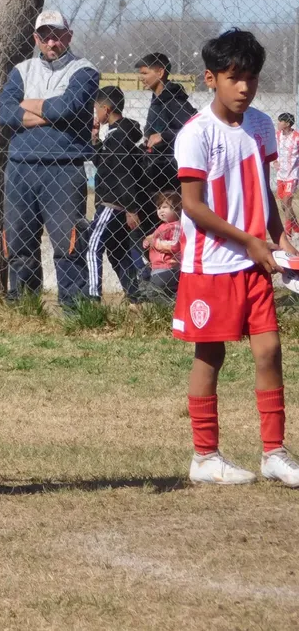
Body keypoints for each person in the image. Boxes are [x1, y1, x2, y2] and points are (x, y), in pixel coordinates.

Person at [172, 28, 299, 486]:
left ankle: (274, 452)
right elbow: (192, 205)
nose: (244, 87)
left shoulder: (263, 126)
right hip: (211, 266)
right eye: (234, 77)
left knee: (270, 351)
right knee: (210, 357)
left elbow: (261, 190)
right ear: (211, 78)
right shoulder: (195, 134)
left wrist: (280, 236)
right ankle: (205, 456)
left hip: (252, 262)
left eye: (252, 78)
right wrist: (246, 240)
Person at [0, 9, 99, 309]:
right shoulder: (22, 70)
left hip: (64, 167)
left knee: (69, 243)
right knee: (18, 241)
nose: (52, 43)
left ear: (69, 36)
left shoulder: (84, 70)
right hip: (20, 167)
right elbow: (4, 112)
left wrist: (28, 107)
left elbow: (69, 108)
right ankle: (25, 307)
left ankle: (74, 308)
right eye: (45, 37)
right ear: (36, 39)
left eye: (57, 36)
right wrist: (49, 112)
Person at [86, 86, 144, 302]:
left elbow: (123, 174)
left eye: (96, 109)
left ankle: (92, 297)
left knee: (92, 247)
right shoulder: (116, 134)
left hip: (113, 203)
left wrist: (130, 208)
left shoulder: (118, 137)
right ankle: (136, 295)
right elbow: (106, 164)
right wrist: (95, 139)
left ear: (106, 109)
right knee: (118, 252)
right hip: (118, 203)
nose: (95, 114)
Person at [135, 52, 196, 200]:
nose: (141, 78)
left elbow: (194, 129)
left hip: (170, 175)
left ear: (160, 72)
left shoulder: (174, 101)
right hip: (155, 173)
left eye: (145, 73)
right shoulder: (157, 99)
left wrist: (164, 136)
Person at [141, 190, 182, 303]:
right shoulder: (163, 226)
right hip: (158, 266)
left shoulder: (176, 226)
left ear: (177, 209)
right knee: (148, 287)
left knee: (152, 292)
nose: (161, 211)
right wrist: (147, 240)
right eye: (159, 208)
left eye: (165, 207)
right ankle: (173, 305)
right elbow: (153, 237)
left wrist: (154, 242)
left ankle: (172, 308)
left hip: (168, 266)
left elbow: (174, 245)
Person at [274, 112, 299, 240]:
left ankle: (288, 232)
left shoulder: (297, 137)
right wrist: (274, 161)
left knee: (287, 201)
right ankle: (297, 229)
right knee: (284, 205)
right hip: (280, 175)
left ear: (287, 124)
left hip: (292, 175)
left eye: (281, 122)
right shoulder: (278, 136)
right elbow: (273, 150)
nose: (278, 124)